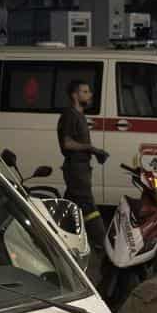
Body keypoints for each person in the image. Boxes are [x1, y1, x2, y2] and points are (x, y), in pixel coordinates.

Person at [57, 79, 109, 242]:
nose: (90, 94)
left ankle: (57, 237)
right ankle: (103, 242)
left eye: (89, 91)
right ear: (74, 95)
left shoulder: (79, 115)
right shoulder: (70, 115)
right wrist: (92, 149)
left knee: (70, 206)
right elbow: (67, 143)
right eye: (85, 91)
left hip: (81, 168)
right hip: (76, 169)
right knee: (87, 204)